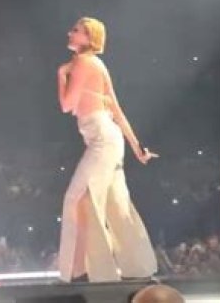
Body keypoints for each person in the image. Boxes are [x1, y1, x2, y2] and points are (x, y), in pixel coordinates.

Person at [57, 17, 160, 282]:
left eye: (76, 30)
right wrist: (137, 148)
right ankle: (136, 267)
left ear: (89, 37)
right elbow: (117, 111)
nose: (70, 33)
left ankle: (85, 271)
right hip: (110, 139)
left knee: (77, 198)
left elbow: (67, 105)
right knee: (116, 203)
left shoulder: (83, 62)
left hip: (102, 141)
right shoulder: (97, 64)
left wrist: (61, 75)